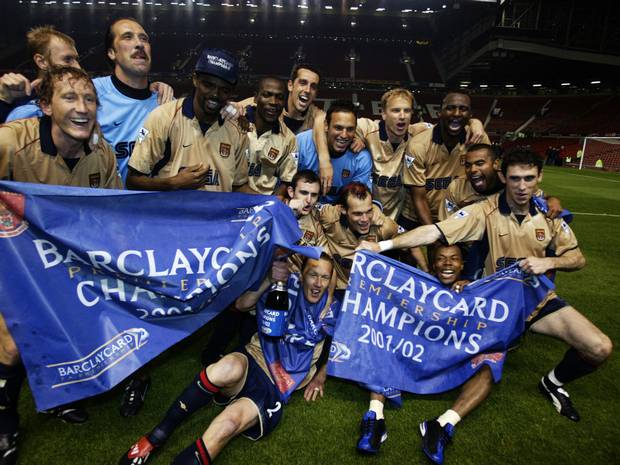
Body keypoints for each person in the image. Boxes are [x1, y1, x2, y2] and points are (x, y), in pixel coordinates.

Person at [358, 148, 613, 429]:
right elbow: (436, 231)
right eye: (515, 179)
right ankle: (422, 404)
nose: (522, 186)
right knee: (464, 359)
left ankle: (551, 383)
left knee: (599, 347)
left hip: (538, 302)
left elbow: (578, 258)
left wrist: (549, 261)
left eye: (529, 178)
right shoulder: (485, 211)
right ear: (503, 177)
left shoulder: (549, 214)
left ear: (539, 177)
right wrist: (381, 245)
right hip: (494, 308)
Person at [0, 66, 123, 465]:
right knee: (12, 344)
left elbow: (114, 213)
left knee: (63, 327)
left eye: (89, 99)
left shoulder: (100, 153)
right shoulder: (10, 142)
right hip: (11, 260)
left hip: (60, 263)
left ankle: (54, 398)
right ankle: (4, 421)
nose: (82, 108)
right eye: (70, 98)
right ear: (45, 106)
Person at [119, 254, 337, 465]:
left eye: (325, 277)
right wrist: (269, 280)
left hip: (276, 385)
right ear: (302, 273)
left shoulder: (332, 307)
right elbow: (241, 305)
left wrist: (321, 375)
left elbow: (345, 346)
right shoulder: (284, 283)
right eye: (312, 275)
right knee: (224, 368)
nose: (318, 283)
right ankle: (155, 437)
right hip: (253, 357)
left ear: (331, 280)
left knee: (228, 425)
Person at [126, 47, 249, 192]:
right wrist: (173, 183)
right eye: (208, 85)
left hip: (217, 214)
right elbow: (132, 181)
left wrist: (272, 204)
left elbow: (239, 186)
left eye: (224, 90)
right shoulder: (163, 117)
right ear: (195, 79)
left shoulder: (237, 129)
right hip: (172, 214)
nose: (215, 94)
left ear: (232, 92)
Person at [93, 17, 174, 183]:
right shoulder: (91, 93)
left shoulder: (166, 101)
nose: (139, 44)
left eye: (144, 38)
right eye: (127, 37)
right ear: (111, 52)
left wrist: (230, 108)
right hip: (106, 205)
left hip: (155, 205)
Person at [400, 92, 490, 229]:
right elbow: (419, 198)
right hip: (416, 215)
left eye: (463, 109)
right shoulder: (418, 145)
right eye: (450, 108)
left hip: (455, 213)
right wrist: (434, 236)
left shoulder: (478, 140)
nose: (457, 113)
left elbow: (489, 182)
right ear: (439, 113)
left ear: (470, 115)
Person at [297, 100, 372, 204]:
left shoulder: (361, 158)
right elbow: (287, 185)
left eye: (350, 129)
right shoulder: (302, 143)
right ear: (326, 125)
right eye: (338, 128)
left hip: (337, 213)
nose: (344, 135)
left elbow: (356, 201)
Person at [1, 26, 79, 123]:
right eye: (67, 59)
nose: (78, 67)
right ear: (41, 62)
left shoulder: (85, 95)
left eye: (76, 60)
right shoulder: (18, 99)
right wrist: (4, 99)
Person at [244, 76, 298, 197]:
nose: (273, 102)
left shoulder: (289, 139)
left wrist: (272, 203)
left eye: (280, 98)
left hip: (264, 205)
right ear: (256, 97)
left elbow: (287, 181)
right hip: (230, 200)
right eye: (267, 95)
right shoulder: (236, 122)